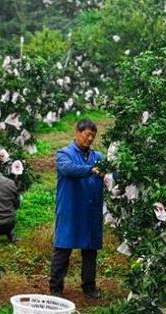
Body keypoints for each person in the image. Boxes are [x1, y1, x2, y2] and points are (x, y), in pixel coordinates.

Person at [50, 119, 104, 299]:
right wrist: (91, 170)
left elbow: (112, 172)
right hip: (71, 208)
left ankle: (89, 286)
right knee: (63, 248)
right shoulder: (64, 153)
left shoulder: (99, 157)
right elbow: (68, 169)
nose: (90, 139)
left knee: (90, 250)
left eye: (93, 136)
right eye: (87, 134)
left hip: (90, 210)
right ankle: (56, 287)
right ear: (77, 133)